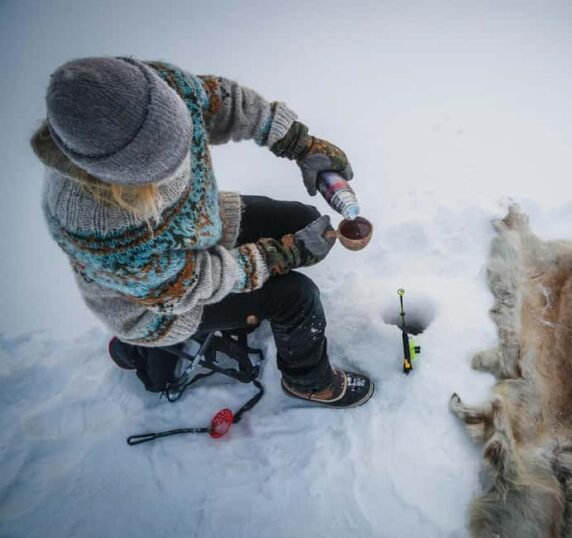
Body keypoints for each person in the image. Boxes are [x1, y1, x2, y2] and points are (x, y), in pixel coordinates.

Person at [31, 57, 373, 408]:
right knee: (296, 297)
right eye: (164, 170)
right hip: (158, 305)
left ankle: (235, 312)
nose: (186, 163)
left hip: (193, 229)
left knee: (301, 220)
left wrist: (299, 144)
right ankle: (309, 382)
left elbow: (221, 102)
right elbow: (183, 287)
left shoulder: (151, 91)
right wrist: (277, 256)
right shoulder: (98, 224)